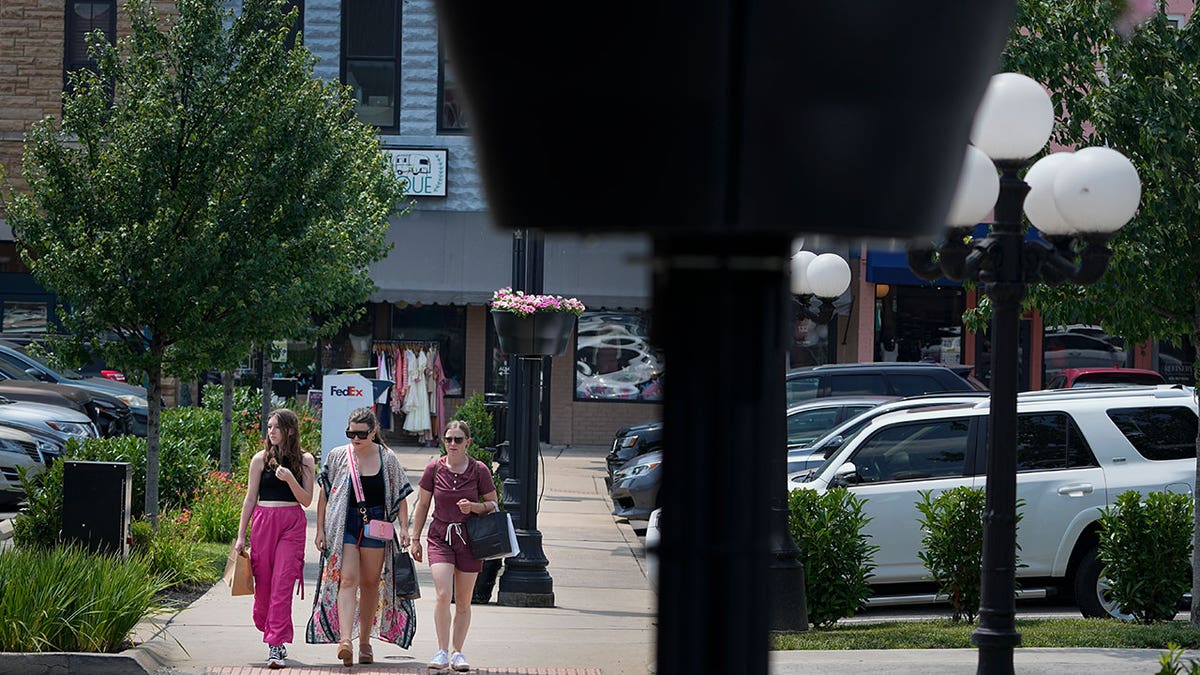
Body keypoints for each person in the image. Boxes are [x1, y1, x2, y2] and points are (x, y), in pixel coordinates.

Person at [307, 407, 415, 666]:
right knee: (347, 580)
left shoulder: (387, 458)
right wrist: (320, 529)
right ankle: (346, 641)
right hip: (344, 522)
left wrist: (405, 529)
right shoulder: (337, 456)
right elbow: (324, 495)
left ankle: (364, 642)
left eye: (361, 434)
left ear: (373, 432)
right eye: (350, 433)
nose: (355, 439)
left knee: (369, 584)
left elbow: (401, 497)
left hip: (377, 524)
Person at [410, 420, 499, 672]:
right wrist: (415, 538)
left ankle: (458, 652)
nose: (452, 444)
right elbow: (423, 505)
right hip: (440, 536)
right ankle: (441, 650)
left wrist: (474, 507)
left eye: (458, 440)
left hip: (470, 539)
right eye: (448, 439)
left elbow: (493, 504)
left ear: (467, 442)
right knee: (441, 594)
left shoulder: (479, 470)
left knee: (463, 600)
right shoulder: (434, 468)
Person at [234, 408, 316, 670]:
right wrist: (240, 536)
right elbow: (250, 499)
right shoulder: (259, 459)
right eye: (268, 427)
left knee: (282, 584)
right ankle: (269, 626)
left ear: (290, 430)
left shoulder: (305, 460)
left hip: (291, 523)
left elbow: (306, 500)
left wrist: (290, 478)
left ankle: (276, 645)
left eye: (275, 427)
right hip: (263, 523)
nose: (270, 432)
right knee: (265, 587)